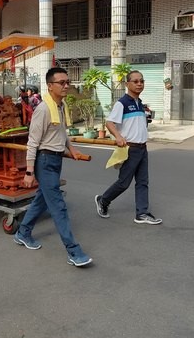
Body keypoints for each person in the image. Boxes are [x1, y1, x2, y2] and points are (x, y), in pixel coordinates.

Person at [13, 67, 92, 267]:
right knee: (58, 206)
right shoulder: (43, 109)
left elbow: (62, 133)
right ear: (50, 86)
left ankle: (22, 233)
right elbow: (32, 142)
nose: (66, 86)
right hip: (45, 161)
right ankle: (74, 252)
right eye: (61, 83)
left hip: (56, 160)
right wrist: (29, 172)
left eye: (68, 82)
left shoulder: (59, 106)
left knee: (42, 200)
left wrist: (71, 149)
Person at [94, 70, 161, 225]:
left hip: (142, 148)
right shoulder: (122, 103)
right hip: (130, 149)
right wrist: (118, 136)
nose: (139, 84)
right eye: (135, 81)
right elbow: (109, 123)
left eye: (141, 81)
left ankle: (142, 213)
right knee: (124, 183)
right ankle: (103, 200)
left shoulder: (140, 103)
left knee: (143, 182)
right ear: (127, 84)